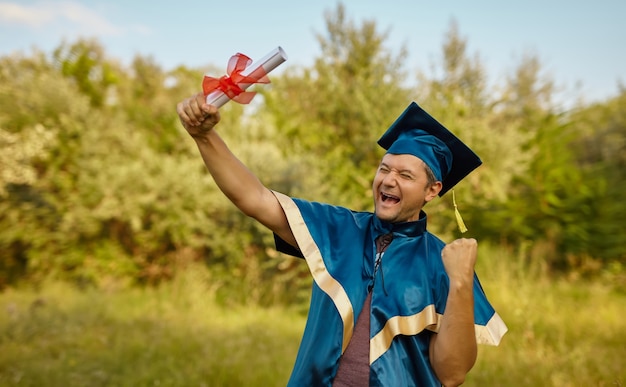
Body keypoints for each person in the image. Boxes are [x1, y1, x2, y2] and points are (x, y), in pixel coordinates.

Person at [176, 93, 507, 387]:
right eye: (384, 169)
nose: (388, 180)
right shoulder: (340, 229)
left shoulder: (442, 261)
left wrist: (461, 282)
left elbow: (452, 374)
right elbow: (255, 199)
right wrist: (204, 137)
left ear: (432, 191)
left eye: (405, 175)